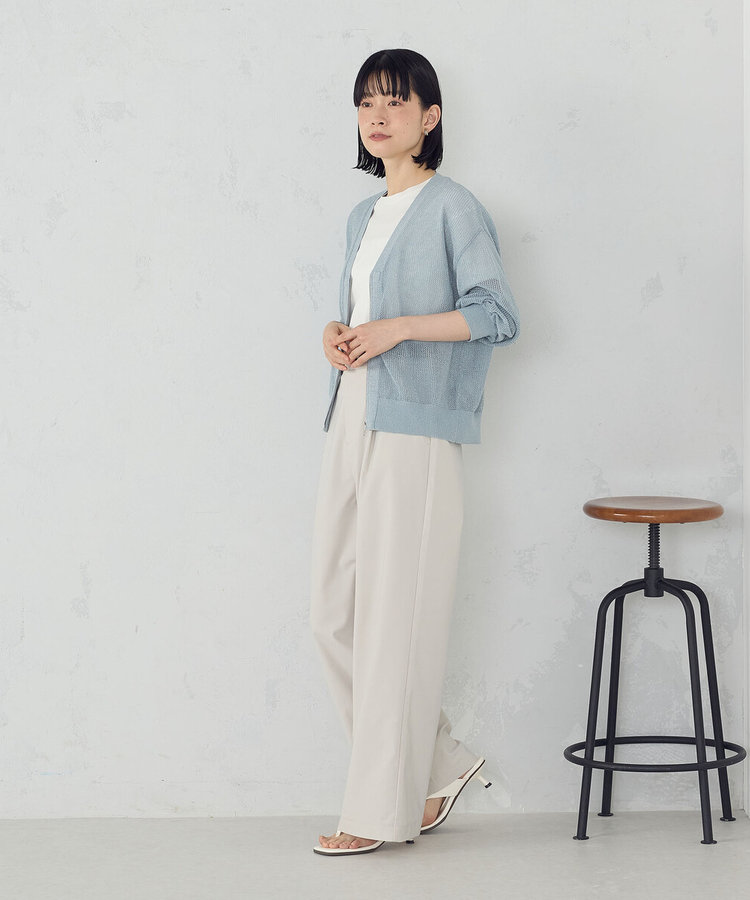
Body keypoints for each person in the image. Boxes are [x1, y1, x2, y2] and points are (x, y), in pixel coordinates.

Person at [309, 48, 519, 856]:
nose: (378, 115)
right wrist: (337, 335)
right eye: (367, 102)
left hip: (416, 427)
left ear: (430, 117)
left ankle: (377, 813)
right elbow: (362, 313)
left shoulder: (453, 207)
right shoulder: (363, 217)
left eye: (396, 101)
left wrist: (398, 329)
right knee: (332, 615)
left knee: (393, 619)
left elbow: (497, 314)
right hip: (351, 414)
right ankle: (436, 765)